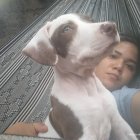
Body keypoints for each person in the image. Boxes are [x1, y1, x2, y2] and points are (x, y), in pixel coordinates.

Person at [4, 34, 140, 136]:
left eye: (130, 66)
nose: (119, 66)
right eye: (113, 56)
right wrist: (26, 132)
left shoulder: (119, 102)